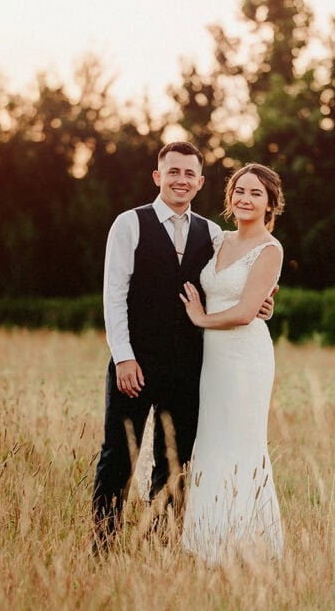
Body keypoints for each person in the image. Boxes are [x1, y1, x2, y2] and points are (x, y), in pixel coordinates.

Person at [92, 143, 274, 550]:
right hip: (135, 363)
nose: (181, 180)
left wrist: (264, 304)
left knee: (173, 461)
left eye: (189, 174)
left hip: (192, 367)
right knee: (119, 457)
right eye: (173, 172)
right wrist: (123, 356)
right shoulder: (129, 224)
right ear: (158, 177)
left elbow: (232, 285)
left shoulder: (211, 232)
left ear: (200, 182)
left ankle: (158, 544)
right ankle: (101, 547)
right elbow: (113, 295)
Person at [179, 163, 285, 564]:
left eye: (256, 193)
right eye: (240, 191)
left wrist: (201, 319)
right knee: (212, 441)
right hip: (215, 360)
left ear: (270, 203)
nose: (245, 198)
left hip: (246, 357)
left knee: (241, 443)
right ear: (229, 197)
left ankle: (248, 545)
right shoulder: (218, 239)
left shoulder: (270, 249)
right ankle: (209, 542)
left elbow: (244, 312)